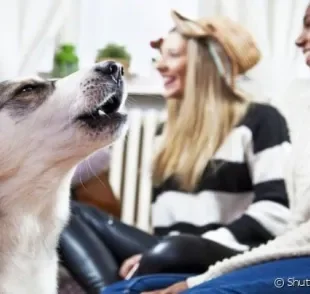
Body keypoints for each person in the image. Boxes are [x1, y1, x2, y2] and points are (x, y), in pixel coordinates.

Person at [59, 10, 292, 294]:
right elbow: (163, 228)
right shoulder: (164, 133)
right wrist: (151, 255)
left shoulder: (261, 119)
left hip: (228, 251)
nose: (160, 65)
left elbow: (275, 212)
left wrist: (187, 247)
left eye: (172, 55)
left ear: (204, 64)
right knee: (62, 212)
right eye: (161, 56)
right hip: (170, 250)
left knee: (173, 248)